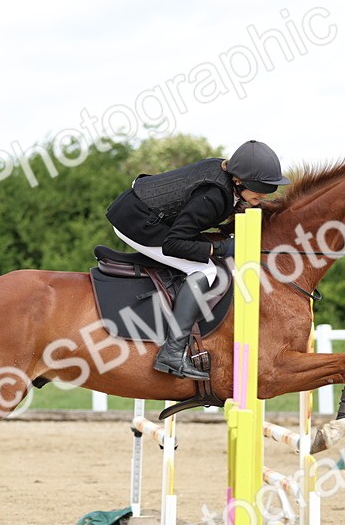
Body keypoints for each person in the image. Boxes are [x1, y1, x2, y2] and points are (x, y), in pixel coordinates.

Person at [105, 140, 290, 380]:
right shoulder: (213, 197)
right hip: (135, 222)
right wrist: (219, 248)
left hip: (145, 210)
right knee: (205, 271)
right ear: (238, 181)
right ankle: (171, 353)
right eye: (260, 189)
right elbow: (173, 244)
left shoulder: (223, 175)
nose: (265, 195)